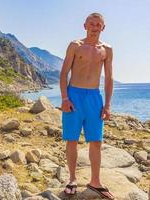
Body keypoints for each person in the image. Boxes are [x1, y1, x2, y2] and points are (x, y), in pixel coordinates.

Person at [59, 13, 114, 199]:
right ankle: (72, 179)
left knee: (96, 141)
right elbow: (64, 72)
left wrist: (107, 105)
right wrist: (65, 98)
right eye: (92, 23)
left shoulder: (107, 49)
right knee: (72, 139)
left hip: (94, 97)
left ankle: (95, 182)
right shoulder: (75, 45)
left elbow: (108, 78)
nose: (95, 27)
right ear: (85, 25)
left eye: (98, 24)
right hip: (74, 95)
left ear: (103, 28)